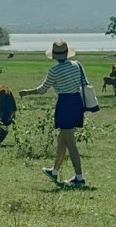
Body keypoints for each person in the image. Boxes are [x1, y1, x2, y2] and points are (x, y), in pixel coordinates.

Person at [19, 38, 88, 186]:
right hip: (77, 102)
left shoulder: (54, 71)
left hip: (65, 104)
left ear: (55, 56)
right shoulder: (78, 65)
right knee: (61, 139)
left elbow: (43, 89)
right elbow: (85, 83)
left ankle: (79, 178)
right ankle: (54, 171)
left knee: (70, 143)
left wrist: (27, 92)